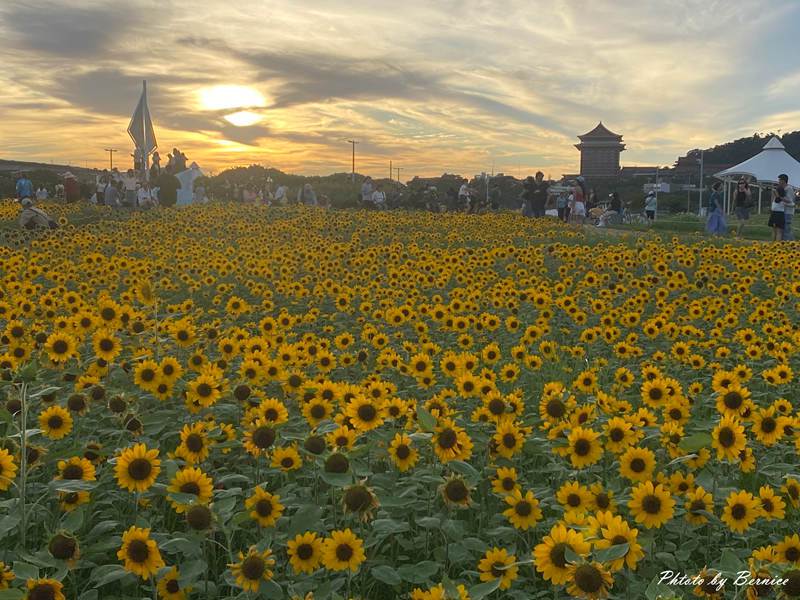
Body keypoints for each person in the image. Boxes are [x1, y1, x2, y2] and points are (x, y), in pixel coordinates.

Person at [778, 174, 795, 241]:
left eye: (779, 180)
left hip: (788, 212)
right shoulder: (784, 189)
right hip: (783, 211)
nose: (778, 181)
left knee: (786, 229)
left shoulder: (789, 189)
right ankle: (791, 244)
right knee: (784, 229)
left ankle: (790, 244)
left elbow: (791, 202)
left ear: (783, 181)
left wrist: (781, 201)